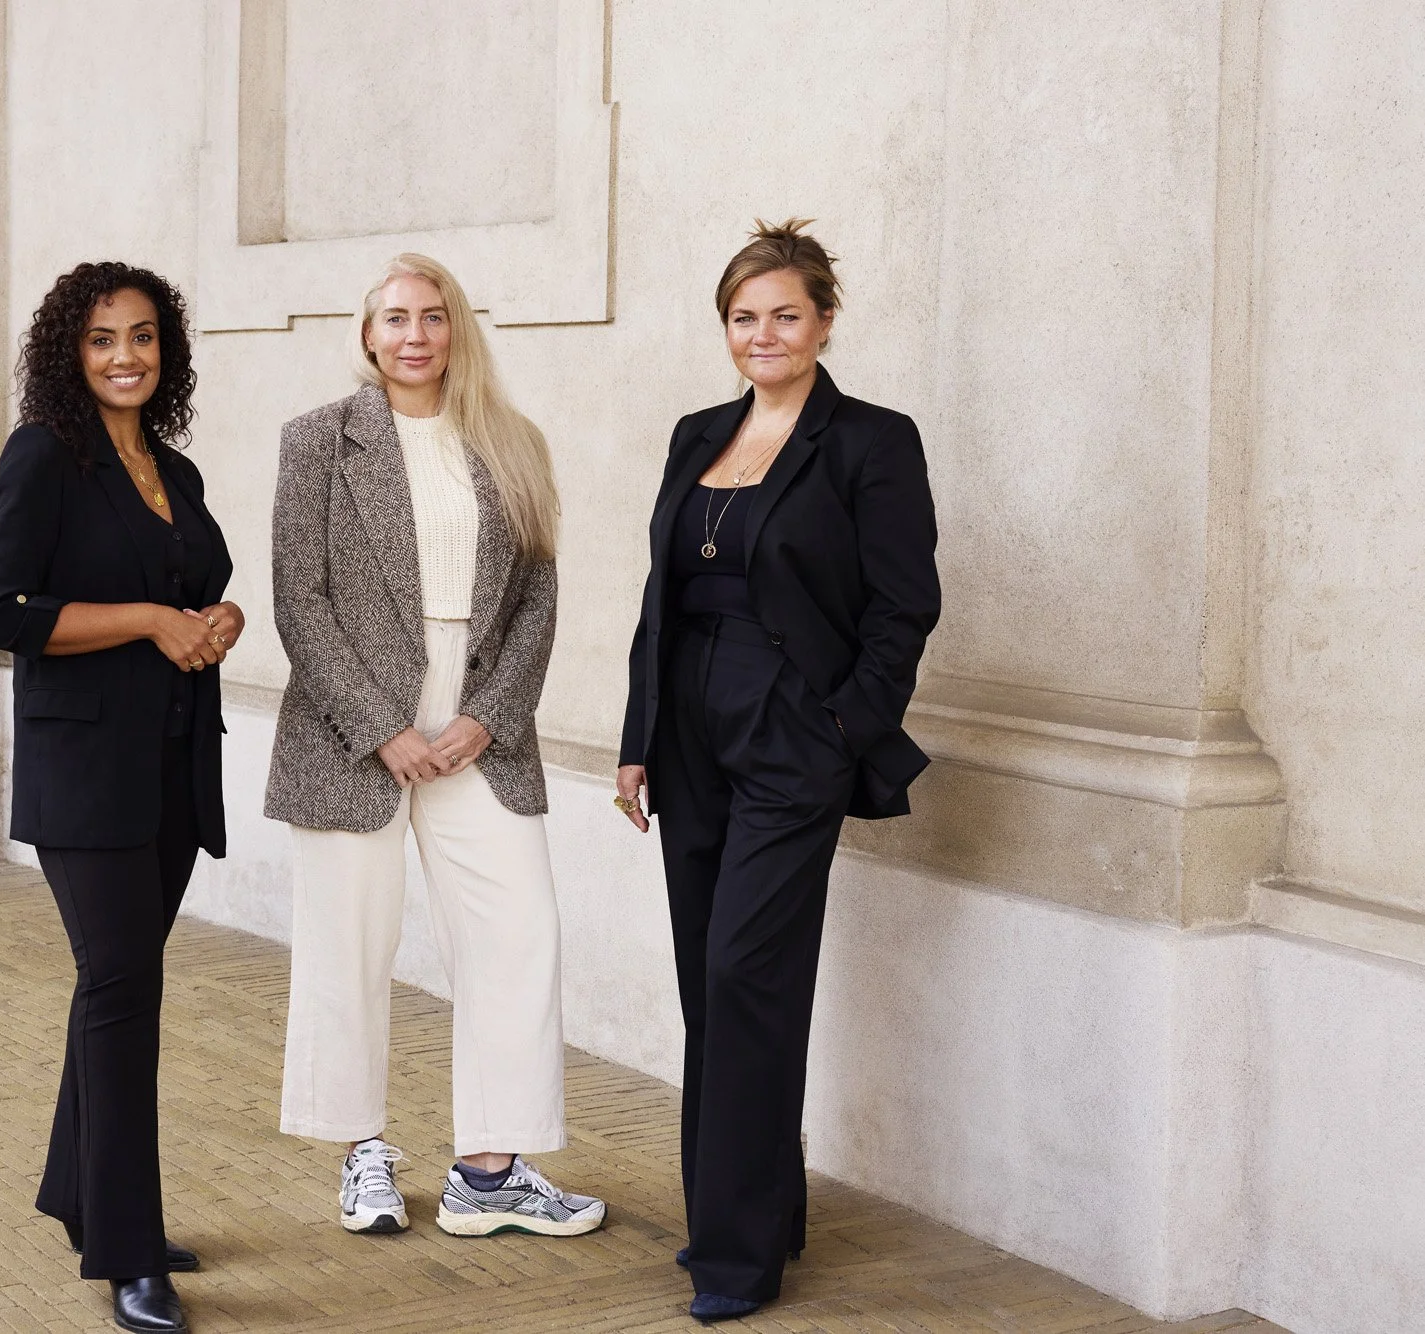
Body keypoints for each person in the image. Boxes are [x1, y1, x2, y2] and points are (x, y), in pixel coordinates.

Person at [615, 219, 940, 1323]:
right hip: (687, 729)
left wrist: (843, 726)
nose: (763, 334)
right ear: (725, 328)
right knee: (710, 982)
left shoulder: (869, 441)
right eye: (743, 317)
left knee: (749, 974)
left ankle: (736, 1258)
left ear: (823, 321)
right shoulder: (694, 431)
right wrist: (634, 736)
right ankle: (747, 1207)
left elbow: (903, 605)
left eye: (784, 314)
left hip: (787, 726)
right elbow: (659, 597)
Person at [267, 253, 606, 1242]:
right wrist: (379, 726)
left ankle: (490, 1169)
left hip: (477, 725)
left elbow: (537, 594)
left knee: (517, 931)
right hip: (349, 728)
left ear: (456, 328)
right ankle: (360, 1151)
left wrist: (486, 714)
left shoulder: (510, 442)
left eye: (432, 316)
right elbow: (299, 595)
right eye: (394, 317)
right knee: (348, 942)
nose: (413, 334)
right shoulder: (317, 443)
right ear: (367, 333)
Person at [0, 261, 241, 1334]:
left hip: (173, 765)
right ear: (67, 352)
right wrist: (144, 617)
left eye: (141, 337)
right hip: (84, 774)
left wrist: (210, 622)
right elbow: (4, 612)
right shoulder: (44, 454)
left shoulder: (169, 464)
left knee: (115, 983)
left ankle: (84, 1192)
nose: (125, 356)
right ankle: (128, 1251)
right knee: (122, 990)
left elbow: (197, 590)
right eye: (100, 339)